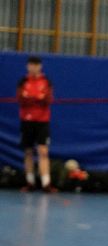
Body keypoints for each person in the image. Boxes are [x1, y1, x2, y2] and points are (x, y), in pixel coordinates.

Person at [17, 56, 55, 193]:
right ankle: (30, 182)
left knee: (43, 151)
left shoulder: (46, 81)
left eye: (36, 65)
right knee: (28, 151)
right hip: (26, 120)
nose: (33, 67)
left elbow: (47, 100)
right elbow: (21, 99)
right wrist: (36, 97)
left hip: (42, 121)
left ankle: (46, 183)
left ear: (40, 66)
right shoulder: (23, 81)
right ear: (28, 66)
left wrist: (32, 97)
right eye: (31, 65)